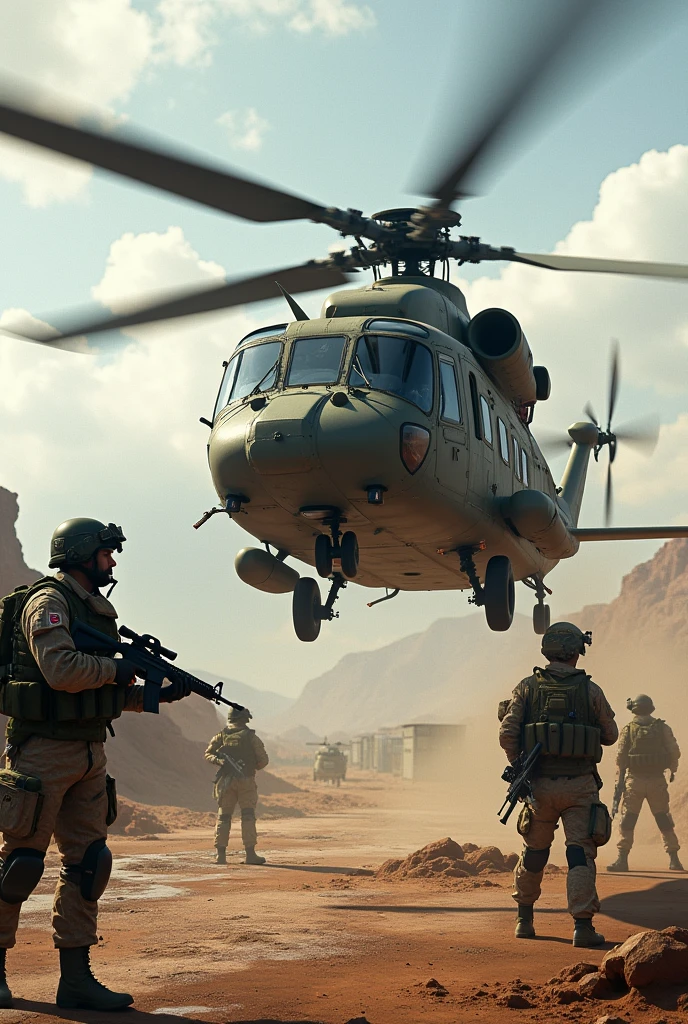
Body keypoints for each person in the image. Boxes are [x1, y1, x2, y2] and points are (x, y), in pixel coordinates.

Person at [0, 519, 191, 1011]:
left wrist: (149, 696)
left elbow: (96, 692)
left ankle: (76, 979)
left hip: (88, 751)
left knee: (89, 866)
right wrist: (119, 669)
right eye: (106, 554)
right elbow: (61, 672)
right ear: (82, 554)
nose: (112, 562)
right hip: (41, 751)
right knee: (19, 864)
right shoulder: (49, 603)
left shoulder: (94, 611)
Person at [499, 621, 618, 948]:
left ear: (548, 650)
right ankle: (582, 927)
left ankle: (524, 920)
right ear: (576, 652)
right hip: (580, 787)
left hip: (539, 787)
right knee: (580, 853)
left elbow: (507, 733)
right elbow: (611, 735)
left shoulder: (526, 688)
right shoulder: (591, 691)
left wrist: (520, 765)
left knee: (535, 852)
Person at [607, 694, 683, 872]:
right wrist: (673, 770)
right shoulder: (662, 728)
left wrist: (619, 782)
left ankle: (622, 859)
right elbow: (675, 751)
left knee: (628, 819)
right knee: (663, 818)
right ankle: (674, 860)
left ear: (634, 709)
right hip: (657, 780)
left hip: (635, 781)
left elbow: (620, 758)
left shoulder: (628, 729)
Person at [205, 706, 269, 866]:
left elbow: (208, 754)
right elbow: (263, 760)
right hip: (246, 780)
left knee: (223, 816)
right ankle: (250, 855)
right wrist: (251, 767)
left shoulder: (222, 735)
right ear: (245, 719)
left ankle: (220, 855)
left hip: (226, 782)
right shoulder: (251, 737)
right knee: (247, 815)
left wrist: (219, 762)